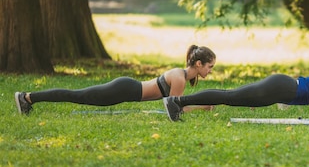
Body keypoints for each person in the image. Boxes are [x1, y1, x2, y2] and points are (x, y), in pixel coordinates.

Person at [162, 37, 309, 124]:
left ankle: (178, 103)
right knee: (230, 97)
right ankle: (177, 102)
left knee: (231, 97)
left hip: (282, 87)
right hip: (281, 88)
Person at [14, 45, 216, 114]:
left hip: (126, 90)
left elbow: (175, 105)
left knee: (78, 95)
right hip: (124, 89)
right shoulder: (179, 78)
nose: (210, 71)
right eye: (210, 66)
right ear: (198, 64)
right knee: (77, 95)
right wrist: (203, 106)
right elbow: (174, 109)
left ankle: (28, 98)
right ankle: (27, 97)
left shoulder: (180, 75)